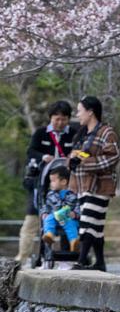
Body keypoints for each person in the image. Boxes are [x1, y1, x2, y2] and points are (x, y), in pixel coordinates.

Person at [16, 101, 76, 266]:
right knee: (31, 222)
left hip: (65, 188)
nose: (60, 123)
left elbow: (85, 153)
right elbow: (30, 152)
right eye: (56, 119)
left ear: (69, 119)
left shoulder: (74, 133)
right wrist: (43, 157)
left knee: (65, 221)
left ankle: (67, 258)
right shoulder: (41, 133)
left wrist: (75, 156)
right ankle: (21, 259)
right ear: (50, 118)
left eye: (64, 119)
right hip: (40, 186)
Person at [68, 96, 120, 271]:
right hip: (82, 186)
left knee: (87, 223)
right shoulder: (82, 134)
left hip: (99, 185)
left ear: (90, 112)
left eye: (79, 110)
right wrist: (74, 159)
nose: (77, 114)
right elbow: (80, 156)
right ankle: (99, 263)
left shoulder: (107, 132)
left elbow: (113, 157)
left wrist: (85, 162)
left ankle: (82, 261)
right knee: (95, 226)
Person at [41, 166, 80, 251]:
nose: (51, 183)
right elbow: (46, 206)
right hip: (55, 217)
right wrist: (44, 213)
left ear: (63, 182)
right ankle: (49, 234)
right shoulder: (50, 195)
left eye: (53, 181)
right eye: (51, 181)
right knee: (49, 218)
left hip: (67, 217)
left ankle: (74, 241)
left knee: (71, 224)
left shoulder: (73, 194)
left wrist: (75, 214)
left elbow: (78, 206)